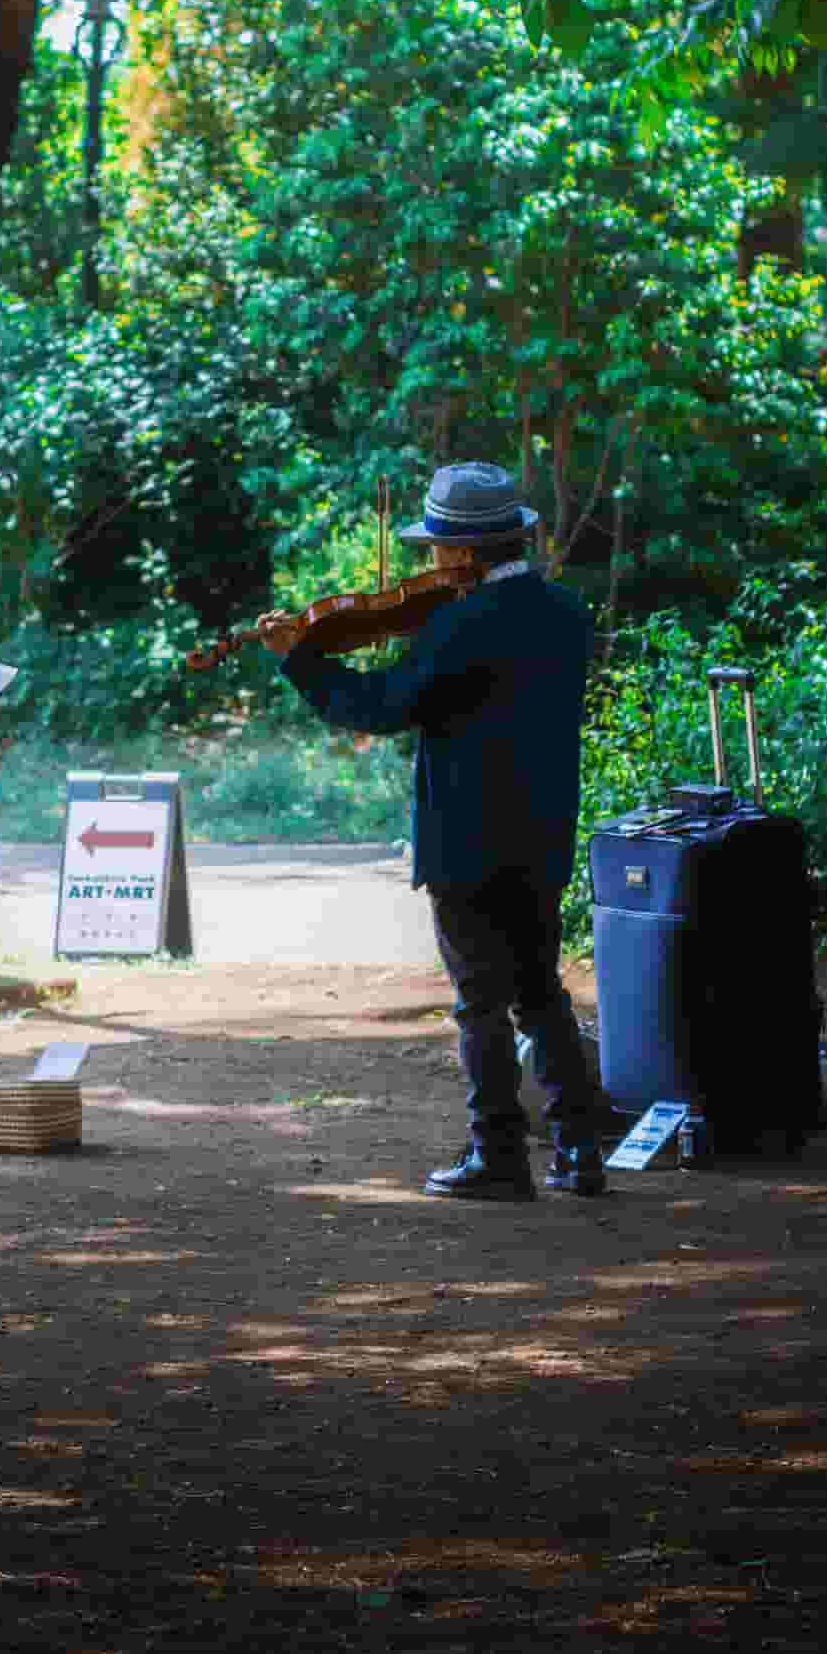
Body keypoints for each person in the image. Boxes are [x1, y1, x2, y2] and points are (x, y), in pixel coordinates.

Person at [259, 461, 605, 1202]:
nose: (429, 564)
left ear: (460, 554)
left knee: (479, 1001)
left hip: (466, 837)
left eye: (437, 551)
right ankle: (579, 1152)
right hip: (543, 831)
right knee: (542, 992)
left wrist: (300, 660)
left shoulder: (457, 622)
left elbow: (381, 707)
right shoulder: (566, 615)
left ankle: (499, 1157)